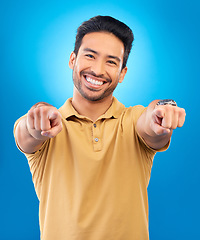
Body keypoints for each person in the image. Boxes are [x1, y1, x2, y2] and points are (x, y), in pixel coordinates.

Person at [14, 15, 186, 240]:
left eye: (111, 61)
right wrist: (36, 117)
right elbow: (26, 132)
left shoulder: (133, 121)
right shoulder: (49, 125)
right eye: (90, 56)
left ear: (122, 73)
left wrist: (161, 112)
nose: (97, 69)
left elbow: (150, 122)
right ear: (72, 60)